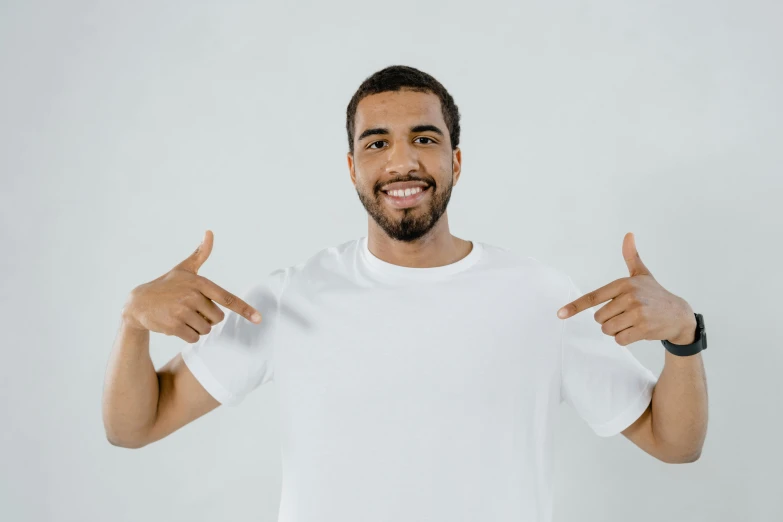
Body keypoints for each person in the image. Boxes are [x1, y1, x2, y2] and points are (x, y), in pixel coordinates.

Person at [102, 65, 708, 522]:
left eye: (423, 138)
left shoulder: (541, 298)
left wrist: (684, 336)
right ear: (351, 166)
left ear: (456, 159)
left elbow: (674, 442)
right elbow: (134, 426)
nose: (401, 162)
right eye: (376, 143)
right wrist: (133, 322)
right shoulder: (290, 298)